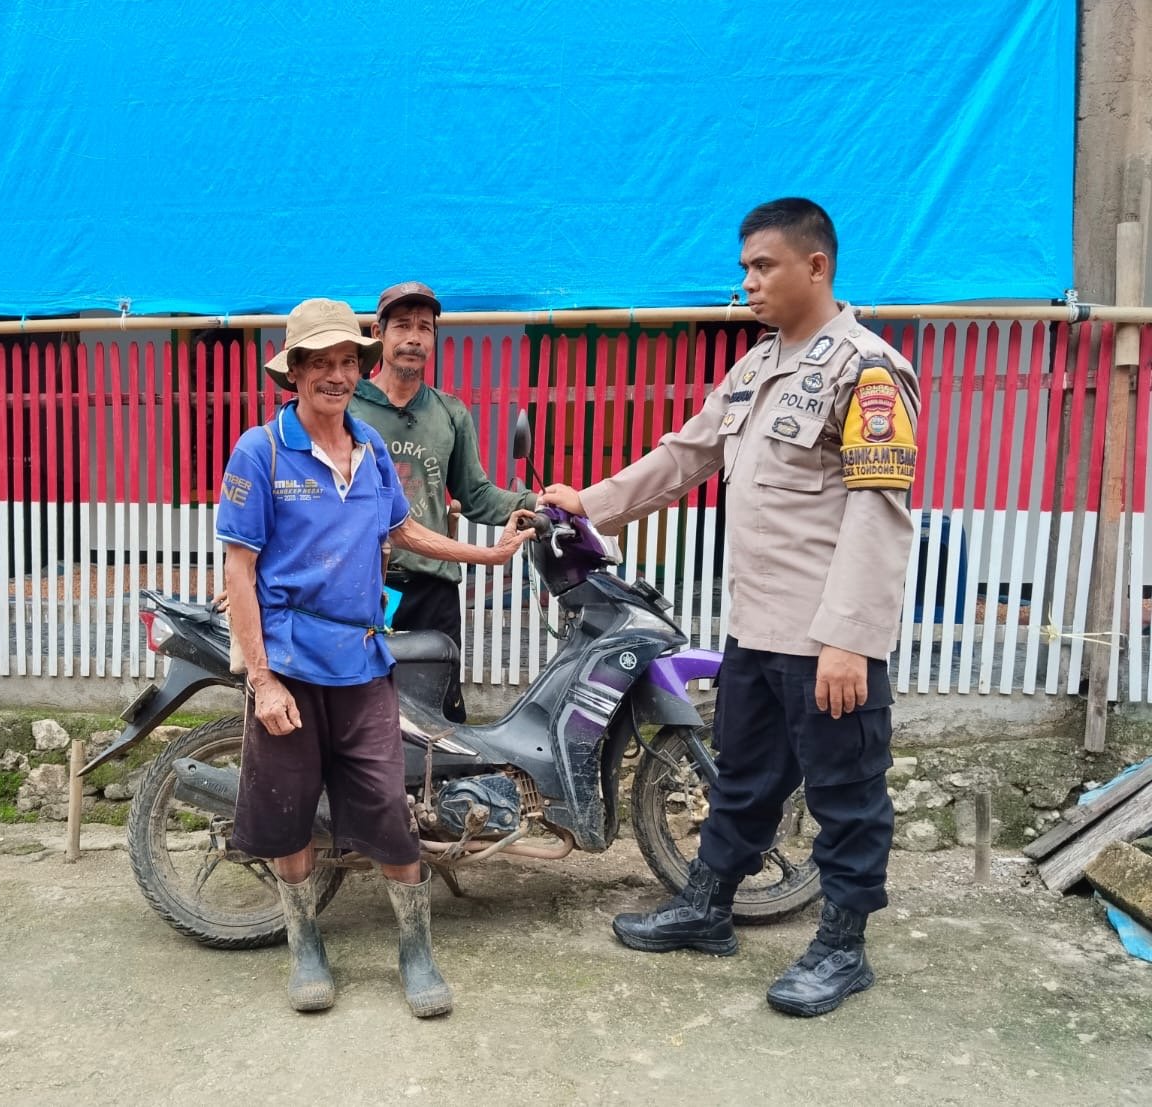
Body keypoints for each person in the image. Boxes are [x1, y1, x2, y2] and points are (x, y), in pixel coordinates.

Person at [539, 198, 919, 1018]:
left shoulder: (866, 370)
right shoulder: (754, 368)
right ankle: (707, 907)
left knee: (846, 793)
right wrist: (591, 504)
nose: (747, 281)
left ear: (816, 266)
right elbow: (685, 454)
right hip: (757, 630)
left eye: (763, 265)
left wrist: (851, 640)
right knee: (743, 777)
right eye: (744, 266)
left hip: (826, 639)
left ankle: (843, 947)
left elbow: (877, 513)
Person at [216, 298, 533, 1018]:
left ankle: (415, 949)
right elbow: (239, 569)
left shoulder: (371, 450)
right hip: (289, 666)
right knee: (290, 815)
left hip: (362, 660)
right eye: (319, 363)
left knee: (390, 811)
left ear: (359, 369)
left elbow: (407, 532)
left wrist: (487, 554)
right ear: (294, 372)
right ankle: (305, 944)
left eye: (345, 362)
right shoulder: (261, 451)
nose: (335, 375)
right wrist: (262, 681)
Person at [349, 281, 538, 722]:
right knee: (360, 713)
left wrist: (537, 503)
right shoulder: (349, 409)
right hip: (361, 585)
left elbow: (476, 494)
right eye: (402, 326)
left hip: (433, 589)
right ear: (378, 334)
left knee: (440, 714)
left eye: (424, 328)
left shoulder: (449, 413)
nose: (413, 338)